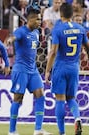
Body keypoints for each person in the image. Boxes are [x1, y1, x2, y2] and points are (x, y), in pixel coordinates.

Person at [45, 3, 89, 135]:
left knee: (60, 99)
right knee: (71, 98)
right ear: (72, 14)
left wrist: (47, 70)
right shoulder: (80, 28)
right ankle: (77, 118)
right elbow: (87, 46)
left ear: (61, 14)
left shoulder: (58, 29)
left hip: (61, 67)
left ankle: (62, 132)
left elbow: (53, 52)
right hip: (74, 68)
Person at [7, 8, 52, 135]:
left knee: (40, 95)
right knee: (18, 99)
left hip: (33, 70)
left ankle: (38, 129)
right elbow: (13, 37)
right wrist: (10, 40)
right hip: (20, 70)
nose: (40, 21)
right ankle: (12, 131)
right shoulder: (21, 31)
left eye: (40, 18)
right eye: (37, 19)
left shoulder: (37, 32)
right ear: (30, 19)